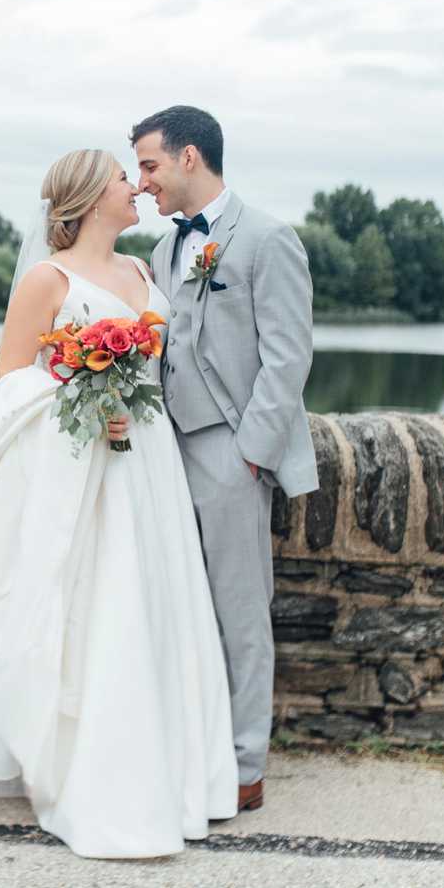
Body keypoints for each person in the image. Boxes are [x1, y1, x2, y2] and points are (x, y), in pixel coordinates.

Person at [0, 148, 239, 858]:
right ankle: (99, 778)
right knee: (100, 608)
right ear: (87, 196)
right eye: (121, 177)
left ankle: (177, 774)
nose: (134, 186)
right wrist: (85, 397)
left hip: (151, 463)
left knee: (156, 604)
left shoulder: (142, 272)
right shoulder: (47, 280)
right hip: (87, 464)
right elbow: (11, 380)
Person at [133, 105, 319, 812]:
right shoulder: (162, 251)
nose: (142, 181)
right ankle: (192, 746)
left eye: (150, 164)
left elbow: (287, 355)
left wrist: (250, 456)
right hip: (163, 449)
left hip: (228, 449)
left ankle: (246, 766)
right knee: (178, 604)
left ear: (188, 158)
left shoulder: (268, 238)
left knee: (242, 611)